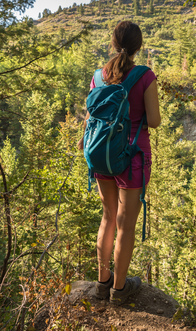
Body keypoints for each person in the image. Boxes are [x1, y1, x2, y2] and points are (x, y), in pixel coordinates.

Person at [77, 21, 161, 305]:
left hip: (101, 154)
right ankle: (120, 290)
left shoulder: (98, 77)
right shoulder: (144, 76)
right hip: (132, 158)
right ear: (138, 47)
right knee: (126, 225)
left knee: (108, 218)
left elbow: (91, 116)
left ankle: (102, 284)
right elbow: (155, 121)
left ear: (113, 43)